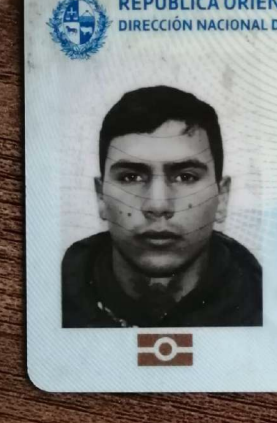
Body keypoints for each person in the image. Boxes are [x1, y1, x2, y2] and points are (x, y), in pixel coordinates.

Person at [62, 86, 262, 327]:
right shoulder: (46, 304)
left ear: (221, 198)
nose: (158, 205)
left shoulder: (268, 312)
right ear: (101, 197)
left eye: (185, 177)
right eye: (131, 177)